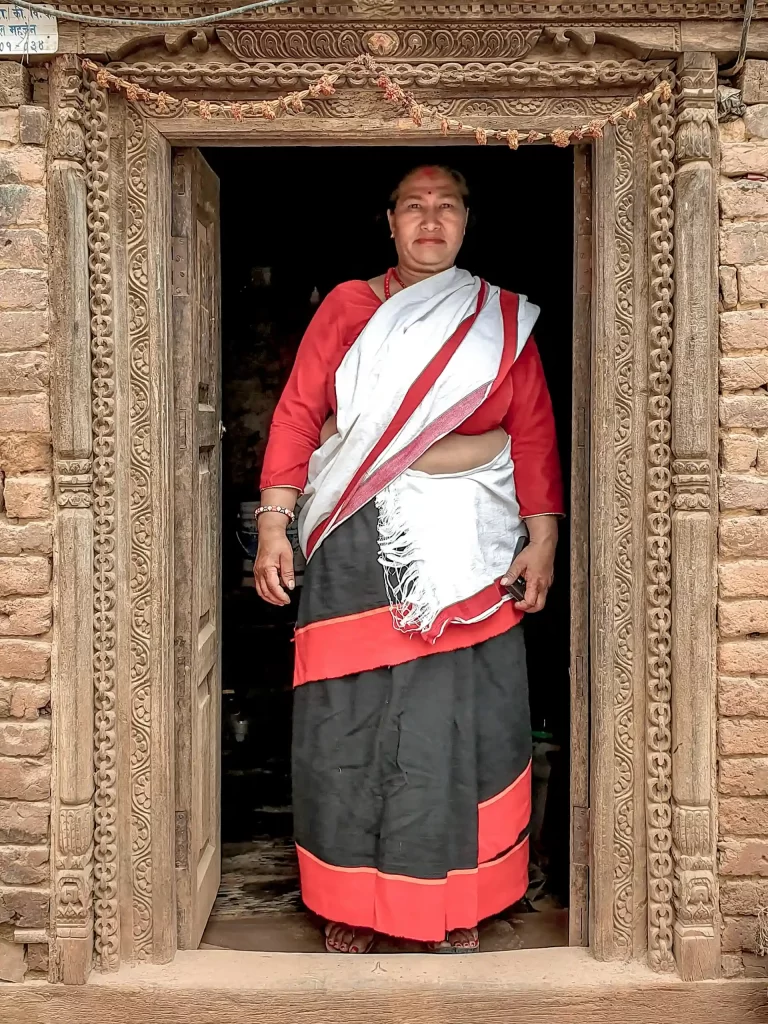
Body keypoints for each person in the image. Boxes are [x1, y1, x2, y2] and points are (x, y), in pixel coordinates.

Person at [255, 165, 563, 954]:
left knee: (455, 720)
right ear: (389, 222)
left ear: (466, 221)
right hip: (358, 540)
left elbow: (530, 431)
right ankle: (351, 904)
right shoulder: (348, 307)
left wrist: (543, 536)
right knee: (349, 718)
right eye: (414, 207)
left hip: (473, 548)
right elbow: (300, 413)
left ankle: (458, 902)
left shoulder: (496, 321)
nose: (431, 219)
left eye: (446, 206)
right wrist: (274, 523)